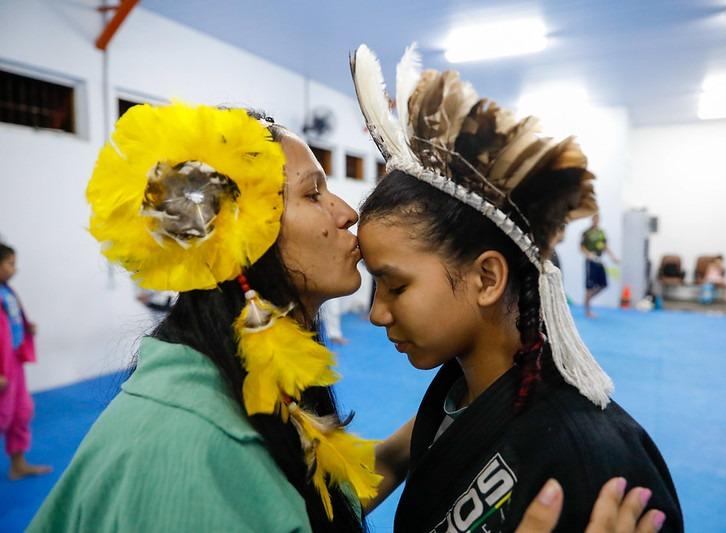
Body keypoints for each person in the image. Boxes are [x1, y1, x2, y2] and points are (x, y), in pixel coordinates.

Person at [28, 102, 659, 533]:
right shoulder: (191, 455)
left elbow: (301, 500)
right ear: (246, 235)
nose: (345, 212)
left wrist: (451, 423)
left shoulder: (243, 376)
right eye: (312, 192)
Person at [351, 44, 681, 532]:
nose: (376, 313)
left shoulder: (592, 462)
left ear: (487, 278)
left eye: (395, 286)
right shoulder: (456, 397)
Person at [0, 243, 52, 479]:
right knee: (3, 415)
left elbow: (9, 322)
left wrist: (25, 327)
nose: (15, 269)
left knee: (21, 411)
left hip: (13, 361)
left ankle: (18, 465)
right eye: (10, 263)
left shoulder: (7, 291)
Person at [581, 214, 619, 317]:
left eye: (597, 219)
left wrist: (613, 257)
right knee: (589, 286)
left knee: (603, 284)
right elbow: (581, 247)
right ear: (592, 220)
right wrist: (588, 254)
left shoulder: (601, 233)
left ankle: (587, 300)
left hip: (599, 260)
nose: (596, 221)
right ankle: (587, 310)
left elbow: (605, 247)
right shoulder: (586, 233)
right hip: (590, 261)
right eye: (594, 219)